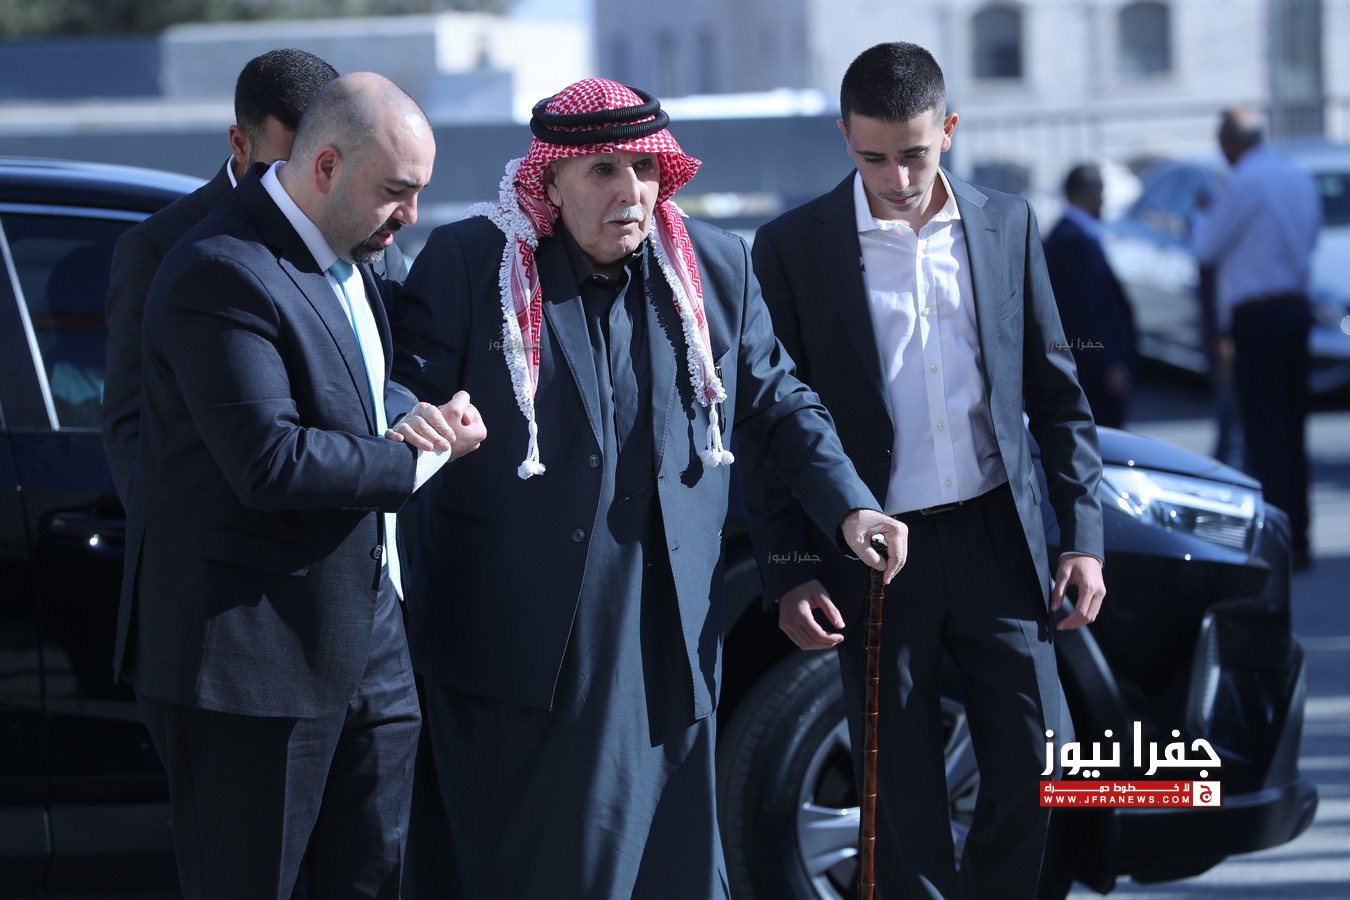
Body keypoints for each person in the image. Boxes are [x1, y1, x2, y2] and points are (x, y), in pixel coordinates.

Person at [389, 77, 907, 899]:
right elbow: (400, 390)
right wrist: (416, 420)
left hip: (666, 635)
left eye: (644, 167)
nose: (630, 191)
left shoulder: (713, 266)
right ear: (551, 181)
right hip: (521, 643)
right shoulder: (472, 261)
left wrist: (850, 504)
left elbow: (777, 401)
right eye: (602, 170)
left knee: (672, 866)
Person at [739, 43, 1106, 899]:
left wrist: (1082, 539)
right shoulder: (791, 247)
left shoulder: (1006, 222)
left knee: (1041, 764)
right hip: (875, 556)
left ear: (949, 129)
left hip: (997, 539)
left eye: (914, 153)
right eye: (873, 158)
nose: (897, 179)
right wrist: (789, 572)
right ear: (844, 137)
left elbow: (1058, 395)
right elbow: (769, 424)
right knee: (900, 798)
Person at [112, 72, 484, 900]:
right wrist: (424, 458)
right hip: (249, 664)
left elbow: (362, 388)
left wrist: (416, 414)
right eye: (396, 191)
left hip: (372, 643)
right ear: (325, 167)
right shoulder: (218, 267)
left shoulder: (357, 251)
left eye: (419, 193)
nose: (410, 214)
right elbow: (270, 461)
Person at [102, 47, 407, 508]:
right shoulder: (162, 248)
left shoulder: (367, 234)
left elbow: (398, 367)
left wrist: (407, 423)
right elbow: (135, 427)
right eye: (293, 161)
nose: (318, 180)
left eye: (330, 162)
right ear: (240, 143)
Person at [1191, 106, 1319, 570]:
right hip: (1295, 308)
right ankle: (1299, 537)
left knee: (1265, 433)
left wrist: (1201, 215)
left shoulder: (1243, 182)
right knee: (1294, 429)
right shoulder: (1297, 176)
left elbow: (1206, 247)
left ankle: (1279, 544)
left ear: (1230, 143)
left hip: (1258, 317)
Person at [1043, 163, 1138, 429]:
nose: (1103, 199)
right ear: (1088, 193)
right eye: (1101, 191)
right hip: (1092, 372)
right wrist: (1108, 364)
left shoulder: (1075, 235)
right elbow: (1082, 313)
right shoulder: (1071, 241)